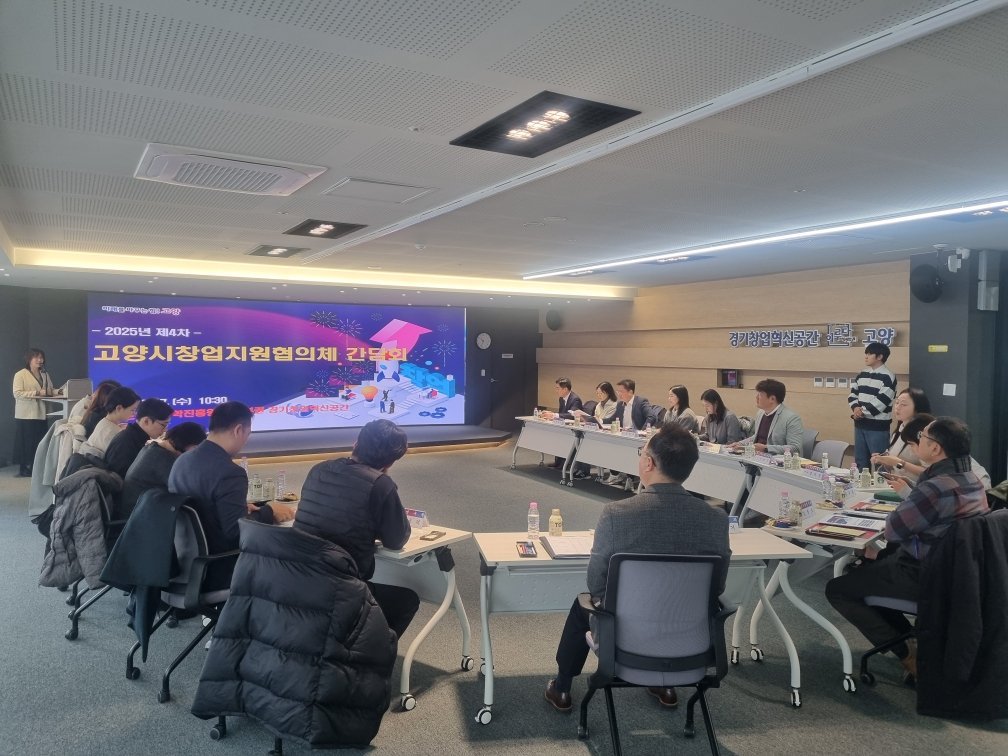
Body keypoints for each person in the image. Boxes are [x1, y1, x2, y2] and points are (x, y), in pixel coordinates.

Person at [543, 424, 731, 713]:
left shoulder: (617, 514)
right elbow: (717, 587)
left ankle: (562, 687)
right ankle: (664, 684)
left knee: (582, 605)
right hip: (691, 644)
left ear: (649, 463)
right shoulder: (716, 519)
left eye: (641, 452)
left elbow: (596, 585)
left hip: (627, 639)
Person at [825, 417, 988, 684]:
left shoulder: (935, 487)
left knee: (839, 589)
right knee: (869, 576)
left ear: (935, 448)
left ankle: (907, 654)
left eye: (922, 437)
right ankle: (911, 643)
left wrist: (910, 498)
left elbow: (893, 531)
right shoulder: (972, 480)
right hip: (959, 576)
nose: (918, 440)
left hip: (922, 575)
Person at [293, 419, 420, 639]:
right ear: (391, 462)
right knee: (406, 601)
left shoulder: (319, 469)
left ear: (356, 444)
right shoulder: (380, 485)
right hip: (341, 588)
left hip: (297, 576)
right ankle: (369, 655)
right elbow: (396, 540)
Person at [169, 402, 296, 575]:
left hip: (184, 562)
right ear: (238, 430)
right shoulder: (230, 472)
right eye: (247, 435)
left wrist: (240, 508)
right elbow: (237, 533)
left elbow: (205, 507)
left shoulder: (182, 461)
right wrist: (269, 511)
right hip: (219, 565)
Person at [119, 421, 207, 518]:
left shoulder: (153, 449)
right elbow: (187, 490)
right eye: (195, 448)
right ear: (187, 444)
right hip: (138, 518)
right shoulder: (162, 458)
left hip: (140, 512)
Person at [848, 342, 898, 470]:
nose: (866, 356)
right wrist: (855, 408)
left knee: (880, 464)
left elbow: (882, 401)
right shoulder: (862, 374)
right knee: (860, 462)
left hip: (878, 428)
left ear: (880, 357)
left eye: (870, 354)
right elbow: (853, 394)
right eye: (866, 353)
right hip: (860, 424)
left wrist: (861, 411)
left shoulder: (888, 376)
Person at [601, 379, 658, 485]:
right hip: (623, 436)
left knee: (629, 451)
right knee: (611, 445)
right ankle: (615, 475)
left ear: (630, 392)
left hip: (636, 438)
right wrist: (599, 421)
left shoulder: (641, 402)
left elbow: (652, 416)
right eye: (617, 391)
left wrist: (642, 431)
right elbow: (612, 419)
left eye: (621, 391)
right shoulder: (620, 405)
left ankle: (630, 478)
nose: (619, 394)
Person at [870, 387, 931, 484]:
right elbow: (896, 466)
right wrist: (885, 460)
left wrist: (899, 463)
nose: (897, 407)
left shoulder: (923, 436)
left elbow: (930, 472)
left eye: (903, 404)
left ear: (917, 408)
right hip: (896, 485)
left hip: (915, 487)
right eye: (897, 403)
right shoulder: (899, 431)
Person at [103, 398, 174, 479]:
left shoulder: (133, 437)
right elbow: (121, 479)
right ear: (146, 421)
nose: (165, 430)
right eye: (163, 425)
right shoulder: (127, 442)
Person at [12, 347, 55, 477]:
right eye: (36, 357)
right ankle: (24, 468)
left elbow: (49, 390)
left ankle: (36, 468)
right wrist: (36, 393)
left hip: (41, 413)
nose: (40, 360)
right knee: (26, 443)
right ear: (29, 359)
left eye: (41, 357)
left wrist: (60, 391)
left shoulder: (45, 374)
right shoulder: (20, 374)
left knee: (39, 442)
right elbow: (17, 393)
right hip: (26, 414)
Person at [732, 378, 803, 455]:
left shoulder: (791, 418)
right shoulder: (760, 413)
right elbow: (756, 437)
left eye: (760, 395)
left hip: (776, 460)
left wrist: (766, 448)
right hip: (756, 457)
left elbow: (795, 448)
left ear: (772, 399)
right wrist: (740, 444)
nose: (756, 397)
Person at [79, 386, 141, 459]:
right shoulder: (113, 433)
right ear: (119, 408)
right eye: (132, 410)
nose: (134, 414)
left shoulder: (104, 422)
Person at [542, 377, 583, 469]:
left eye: (558, 388)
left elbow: (571, 415)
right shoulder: (561, 398)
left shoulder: (575, 399)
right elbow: (562, 413)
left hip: (574, 429)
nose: (556, 390)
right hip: (564, 426)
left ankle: (565, 463)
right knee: (557, 435)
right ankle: (558, 462)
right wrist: (552, 415)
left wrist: (554, 415)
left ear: (565, 389)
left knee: (562, 437)